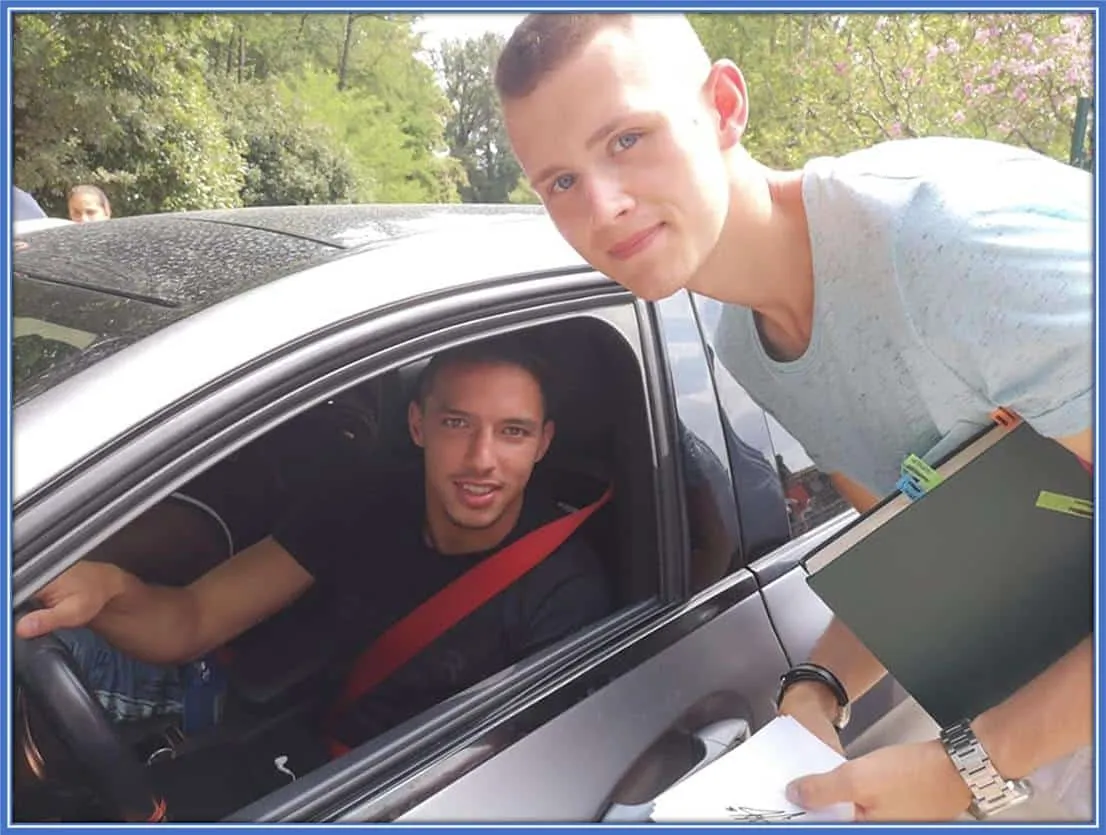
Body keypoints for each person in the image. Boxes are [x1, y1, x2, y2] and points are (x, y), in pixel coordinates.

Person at [495, 13, 1092, 822]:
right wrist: (819, 685)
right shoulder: (746, 339)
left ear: (725, 106)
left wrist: (969, 769)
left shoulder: (946, 246)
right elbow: (933, 557)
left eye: (628, 139)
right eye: (560, 182)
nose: (602, 207)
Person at [15, 336, 611, 752]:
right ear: (416, 426)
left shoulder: (561, 596)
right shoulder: (366, 500)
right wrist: (108, 589)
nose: (481, 460)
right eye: (457, 423)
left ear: (542, 442)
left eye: (512, 432)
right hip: (247, 709)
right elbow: (192, 618)